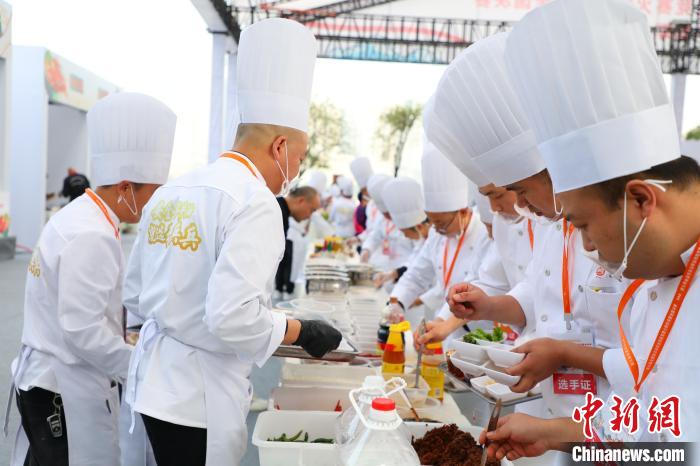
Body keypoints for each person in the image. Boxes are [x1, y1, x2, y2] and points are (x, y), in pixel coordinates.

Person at [476, 0, 700, 460]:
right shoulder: (651, 285)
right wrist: (558, 432)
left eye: (582, 225)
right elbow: (658, 420)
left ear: (641, 200)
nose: (588, 247)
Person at [122, 19, 341, 466]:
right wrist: (298, 329)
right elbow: (230, 317)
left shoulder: (175, 190)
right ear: (280, 146)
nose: (296, 171)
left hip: (153, 385)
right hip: (199, 398)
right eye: (299, 157)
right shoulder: (255, 201)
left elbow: (134, 295)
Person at [439, 32, 624, 440]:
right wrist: (487, 306)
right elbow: (535, 300)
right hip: (561, 415)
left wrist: (562, 353)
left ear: (555, 171)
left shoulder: (622, 233)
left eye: (521, 190)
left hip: (617, 423)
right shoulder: (554, 223)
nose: (520, 206)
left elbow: (650, 366)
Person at [5, 92, 176, 466]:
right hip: (61, 386)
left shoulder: (80, 215)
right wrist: (141, 364)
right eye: (152, 193)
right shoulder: (93, 234)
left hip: (42, 376)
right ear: (126, 187)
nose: (152, 205)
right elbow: (81, 331)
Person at [387, 140, 489, 345]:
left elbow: (477, 283)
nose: (436, 229)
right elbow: (417, 273)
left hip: (480, 332)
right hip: (445, 327)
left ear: (462, 212)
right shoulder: (436, 233)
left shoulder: (484, 233)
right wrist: (396, 302)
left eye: (441, 223)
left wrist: (442, 321)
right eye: (432, 222)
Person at [360, 173, 415, 272]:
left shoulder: (411, 219)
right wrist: (366, 250)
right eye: (384, 214)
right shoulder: (382, 217)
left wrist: (397, 273)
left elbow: (419, 254)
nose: (387, 217)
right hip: (385, 268)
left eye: (389, 214)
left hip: (407, 270)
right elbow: (375, 236)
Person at [275, 186, 321, 298]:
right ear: (301, 201)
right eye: (312, 210)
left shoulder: (283, 211)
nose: (310, 216)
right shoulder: (276, 211)